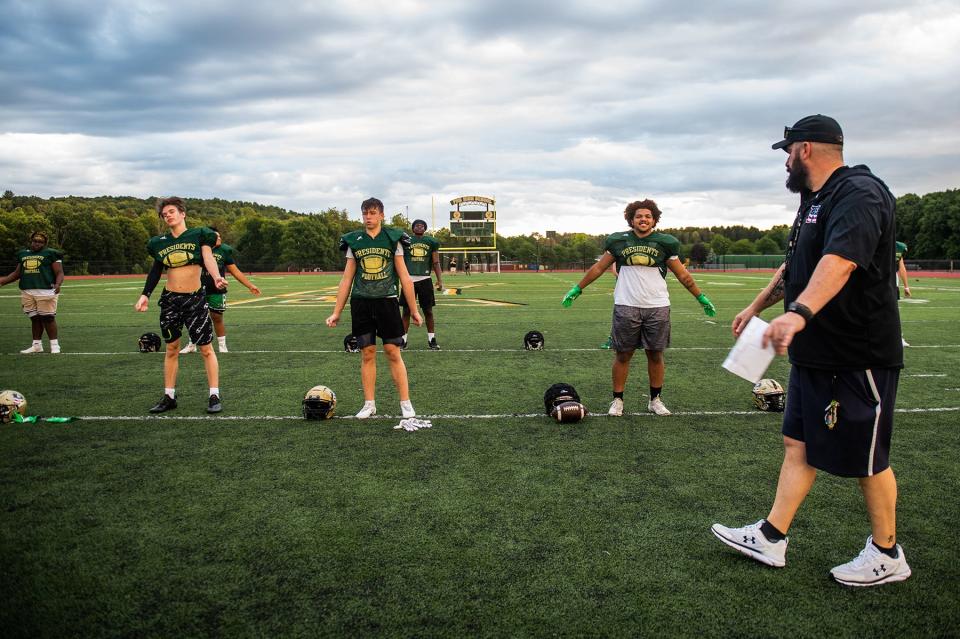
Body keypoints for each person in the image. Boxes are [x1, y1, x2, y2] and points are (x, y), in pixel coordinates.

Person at [711, 114, 910, 586]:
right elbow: (797, 262)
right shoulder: (813, 199)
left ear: (806, 149)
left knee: (868, 456)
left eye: (787, 151)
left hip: (855, 350)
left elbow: (840, 262)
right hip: (815, 350)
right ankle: (771, 536)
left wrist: (798, 313)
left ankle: (887, 553)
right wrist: (759, 305)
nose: (784, 161)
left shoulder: (859, 192)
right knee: (797, 442)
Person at [562, 199, 716, 416]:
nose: (643, 219)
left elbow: (683, 274)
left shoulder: (665, 242)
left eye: (647, 216)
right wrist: (577, 289)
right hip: (627, 304)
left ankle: (655, 399)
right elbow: (598, 268)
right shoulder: (618, 241)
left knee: (655, 354)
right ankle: (617, 400)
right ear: (631, 219)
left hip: (657, 305)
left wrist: (700, 297)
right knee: (623, 354)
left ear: (654, 220)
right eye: (639, 216)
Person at [325, 197, 422, 418]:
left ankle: (405, 403)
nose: (368, 217)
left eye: (372, 213)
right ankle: (369, 403)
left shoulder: (392, 238)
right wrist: (336, 311)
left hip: (387, 301)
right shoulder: (355, 240)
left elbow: (405, 277)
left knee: (392, 351)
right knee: (367, 353)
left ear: (381, 215)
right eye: (365, 213)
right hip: (361, 302)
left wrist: (414, 310)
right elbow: (346, 279)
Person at [134, 197, 228, 414]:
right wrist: (145, 294)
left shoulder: (199, 235)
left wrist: (216, 277)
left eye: (171, 211)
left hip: (194, 299)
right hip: (170, 300)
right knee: (171, 348)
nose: (167, 215)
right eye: (164, 213)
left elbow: (207, 258)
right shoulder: (159, 242)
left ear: (183, 213)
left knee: (205, 348)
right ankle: (169, 396)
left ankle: (214, 394)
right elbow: (157, 269)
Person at [180, 227, 261, 354]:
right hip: (196, 289)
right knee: (194, 318)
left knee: (217, 317)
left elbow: (235, 271)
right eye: (216, 236)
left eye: (219, 236)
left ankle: (222, 345)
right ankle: (192, 344)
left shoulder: (224, 250)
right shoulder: (197, 249)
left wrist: (250, 285)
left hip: (216, 290)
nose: (219, 238)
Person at [0, 231, 64, 353]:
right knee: (34, 318)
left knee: (48, 317)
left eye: (40, 242)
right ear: (31, 241)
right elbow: (16, 274)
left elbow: (59, 272)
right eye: (35, 241)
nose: (37, 244)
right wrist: (2, 282)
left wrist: (58, 283)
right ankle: (37, 345)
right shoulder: (23, 254)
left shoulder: (51, 253)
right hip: (27, 290)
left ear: (45, 243)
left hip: (45, 289)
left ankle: (55, 345)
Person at [400, 219, 443, 350]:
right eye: (417, 225)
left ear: (425, 228)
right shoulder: (406, 240)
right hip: (409, 280)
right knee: (406, 311)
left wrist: (440, 280)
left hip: (425, 279)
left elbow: (436, 262)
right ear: (413, 228)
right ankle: (403, 340)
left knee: (428, 310)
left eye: (422, 225)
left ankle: (432, 339)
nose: (419, 227)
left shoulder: (431, 242)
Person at [895, 240, 911, 346]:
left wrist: (906, 286)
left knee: (894, 310)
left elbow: (901, 267)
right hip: (874, 279)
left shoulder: (898, 247)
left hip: (891, 280)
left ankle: (898, 337)